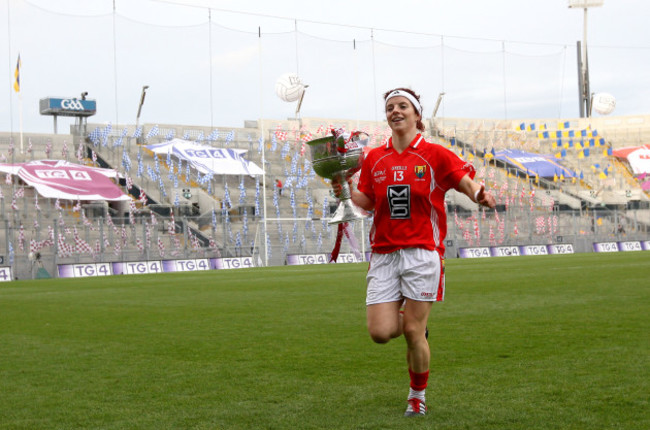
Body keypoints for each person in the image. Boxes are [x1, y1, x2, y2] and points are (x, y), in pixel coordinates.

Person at [338, 87, 496, 417]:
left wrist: (478, 193)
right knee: (380, 333)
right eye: (390, 107)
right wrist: (344, 188)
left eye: (402, 106)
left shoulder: (435, 155)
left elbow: (464, 181)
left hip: (423, 253)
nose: (395, 111)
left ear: (416, 114)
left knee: (411, 332)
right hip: (383, 254)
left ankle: (416, 395)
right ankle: (415, 324)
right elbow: (367, 202)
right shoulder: (373, 158)